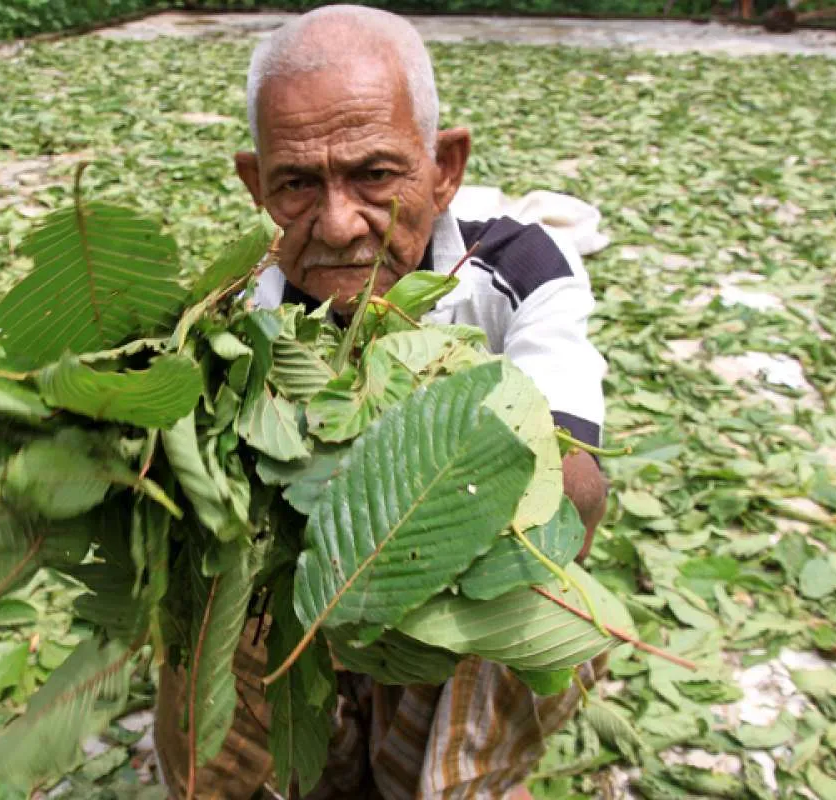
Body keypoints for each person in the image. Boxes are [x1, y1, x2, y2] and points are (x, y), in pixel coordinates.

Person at [154, 6, 609, 798]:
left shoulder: (520, 266)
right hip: (312, 589)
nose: (338, 223)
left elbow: (575, 495)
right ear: (256, 184)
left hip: (464, 586)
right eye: (297, 183)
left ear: (445, 165)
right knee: (209, 618)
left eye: (374, 175)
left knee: (540, 593)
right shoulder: (240, 315)